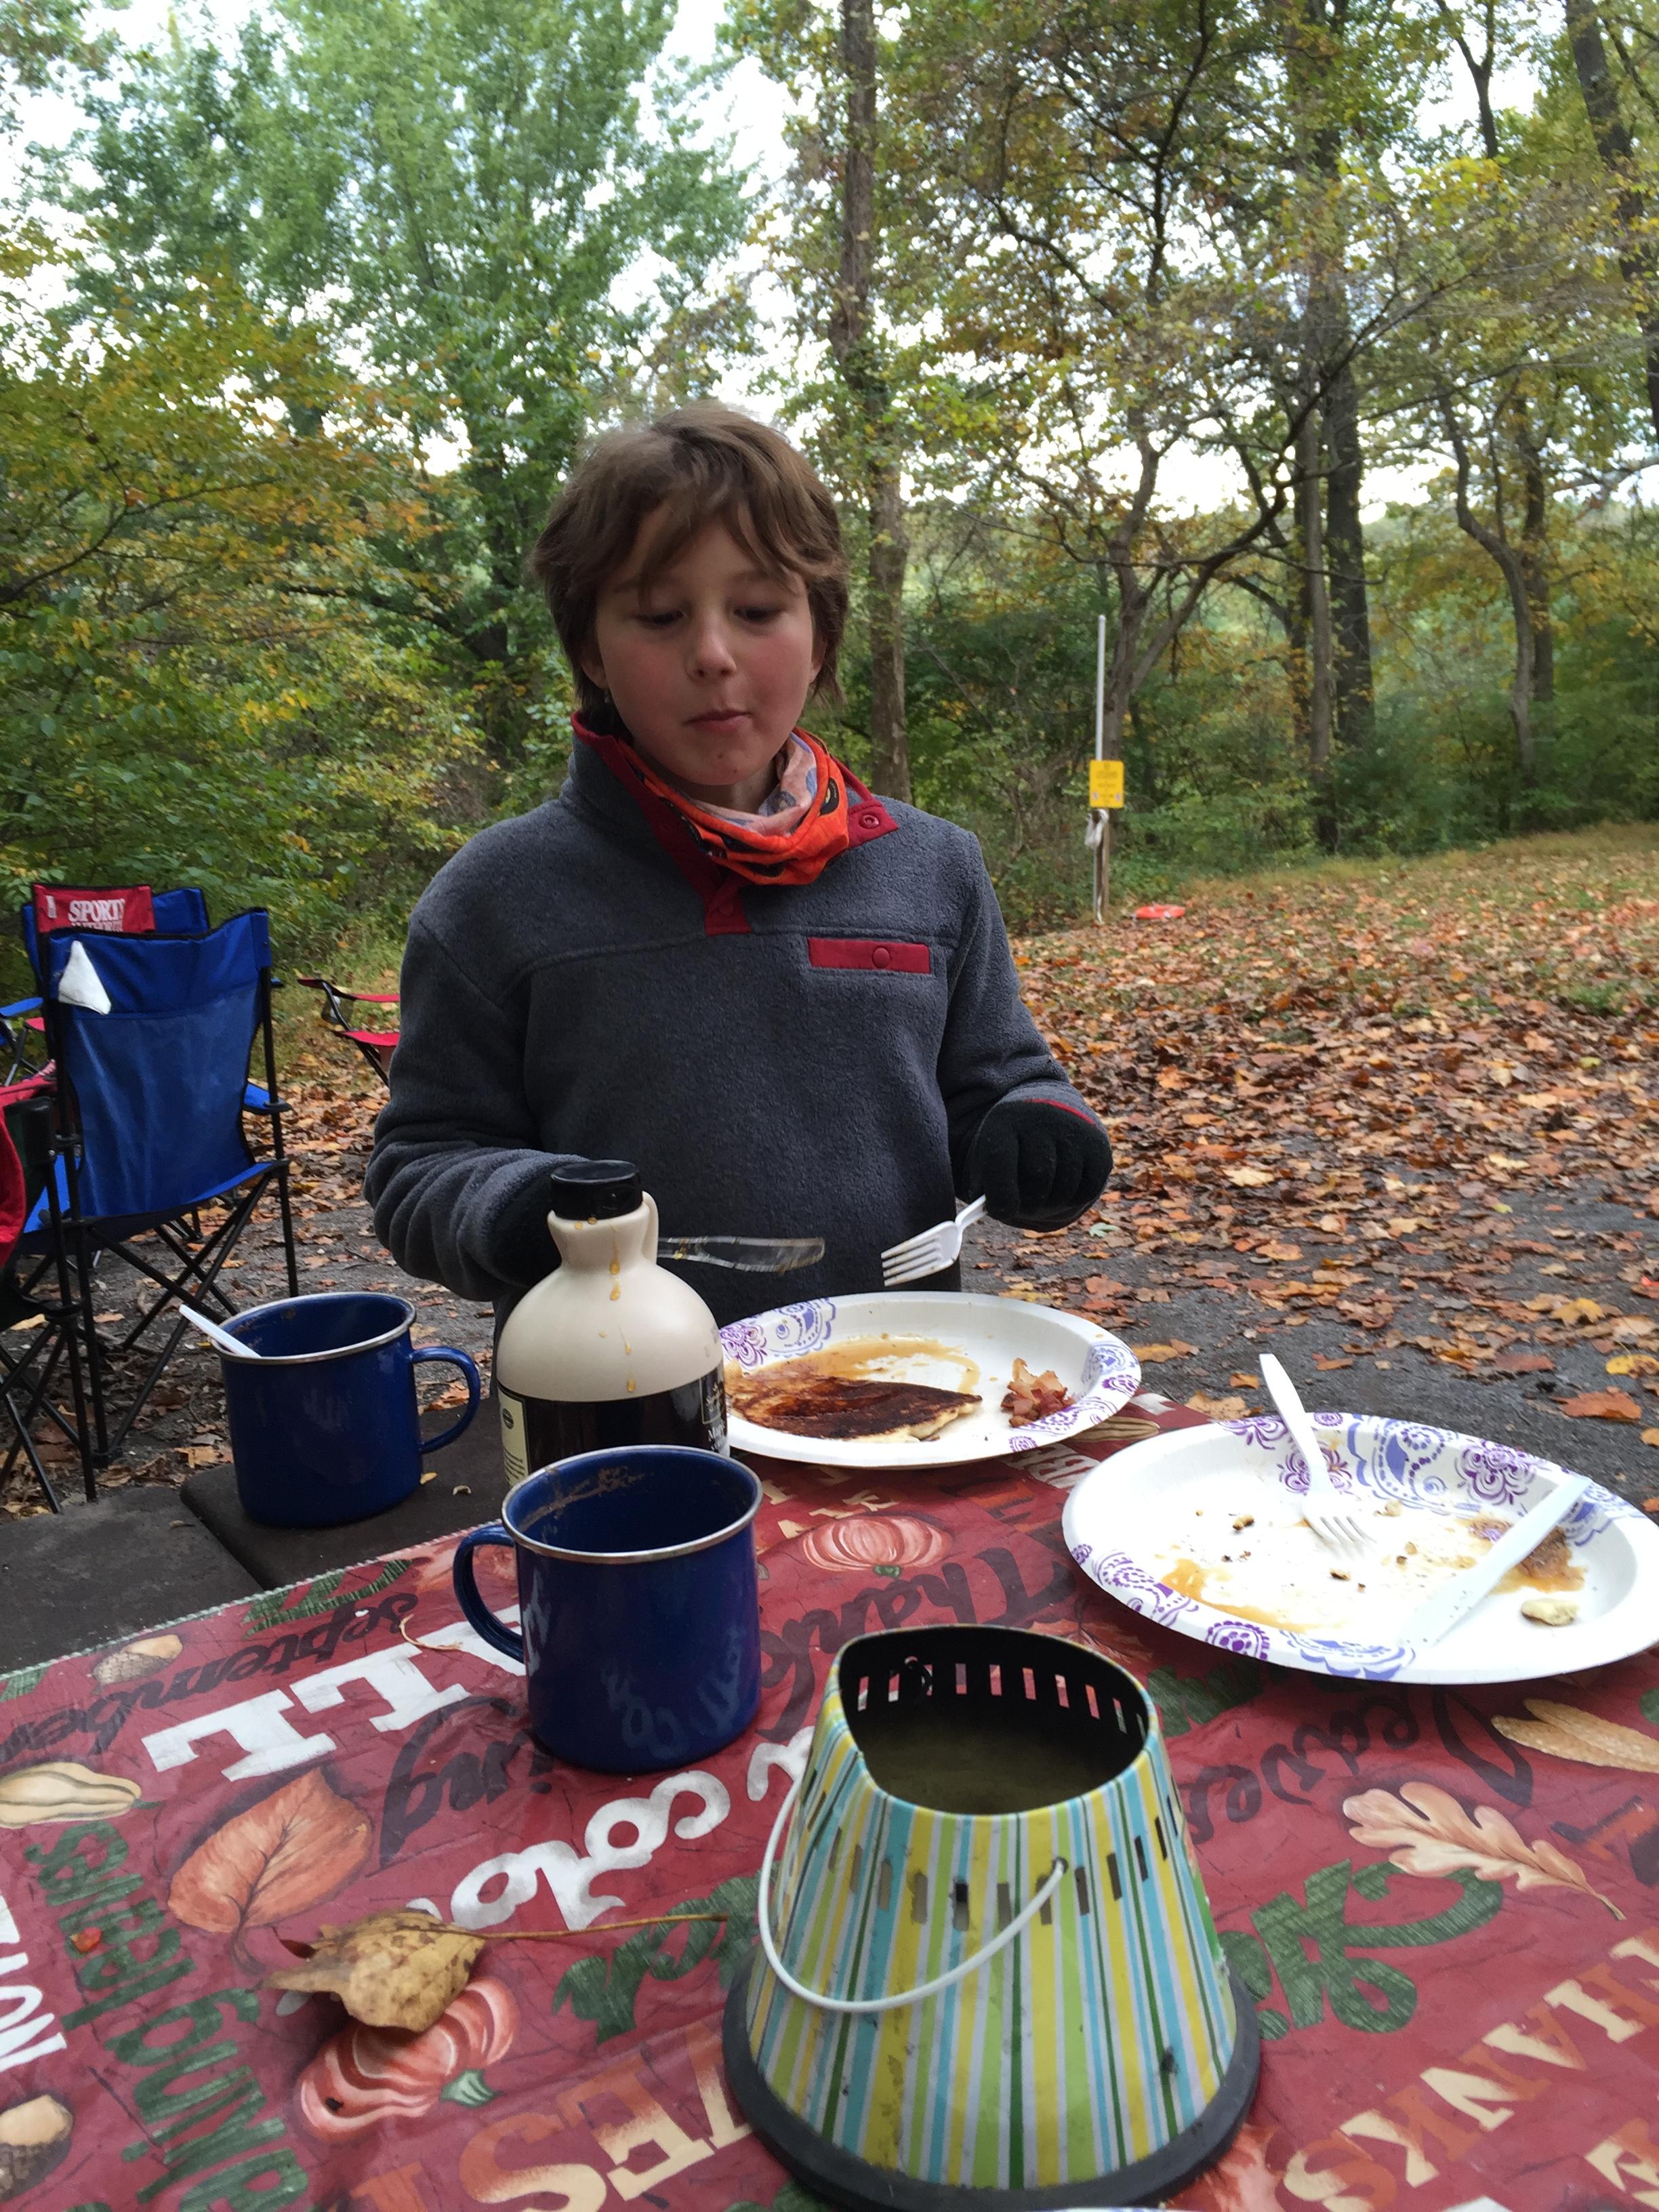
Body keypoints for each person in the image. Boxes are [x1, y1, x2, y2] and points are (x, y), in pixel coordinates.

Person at [366, 403, 1111, 1328]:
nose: (714, 655)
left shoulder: (931, 869)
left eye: (758, 611)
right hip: (622, 1410)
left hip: (903, 1391)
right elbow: (421, 1165)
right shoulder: (493, 900)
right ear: (592, 649)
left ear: (822, 634)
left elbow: (1003, 1081)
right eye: (660, 615)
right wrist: (516, 1209)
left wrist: (1035, 1134)